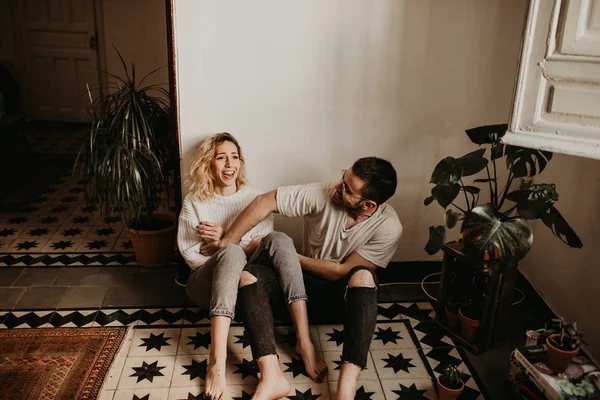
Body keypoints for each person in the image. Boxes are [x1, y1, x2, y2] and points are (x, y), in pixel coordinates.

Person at [202, 157, 403, 400]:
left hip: (342, 304)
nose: (339, 187)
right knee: (250, 275)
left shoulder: (389, 226)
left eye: (348, 189)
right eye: (343, 178)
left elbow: (341, 271)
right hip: (297, 299)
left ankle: (346, 386)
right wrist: (226, 244)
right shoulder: (326, 193)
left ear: (368, 205)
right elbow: (264, 201)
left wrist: (288, 255)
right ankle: (270, 375)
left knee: (363, 276)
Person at [177, 132, 274, 400]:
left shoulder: (255, 198)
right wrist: (231, 253)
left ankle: (236, 365)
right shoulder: (195, 201)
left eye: (235, 157)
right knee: (232, 254)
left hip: (243, 285)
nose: (230, 164)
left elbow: (262, 249)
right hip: (202, 286)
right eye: (221, 158)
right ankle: (215, 364)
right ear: (209, 163)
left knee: (231, 251)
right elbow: (189, 254)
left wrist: (222, 241)